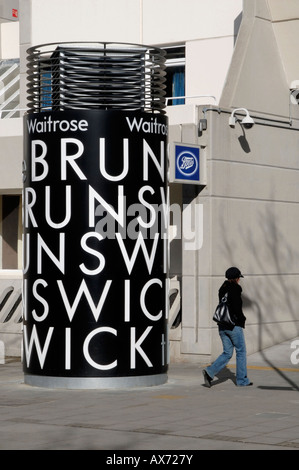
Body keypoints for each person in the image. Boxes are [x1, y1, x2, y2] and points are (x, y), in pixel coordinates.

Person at [203, 267, 252, 387]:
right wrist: (242, 319)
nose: (239, 279)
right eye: (239, 277)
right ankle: (242, 380)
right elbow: (236, 308)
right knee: (241, 351)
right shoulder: (235, 289)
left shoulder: (222, 289)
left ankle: (210, 372)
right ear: (236, 278)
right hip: (233, 326)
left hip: (222, 325)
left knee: (227, 352)